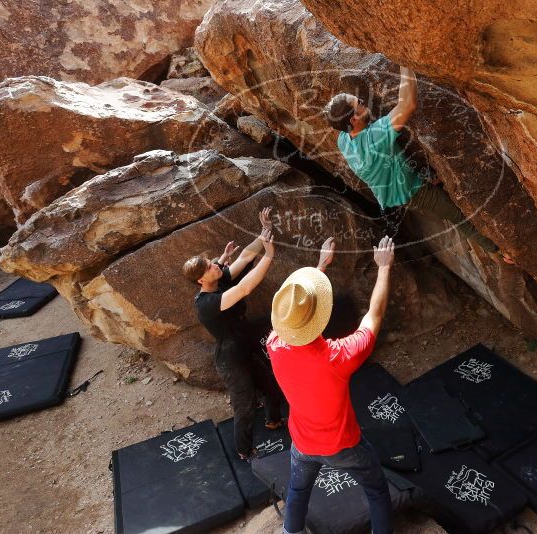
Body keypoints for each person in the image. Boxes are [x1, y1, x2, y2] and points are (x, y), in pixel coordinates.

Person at [266, 235, 396, 534]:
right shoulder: (338, 357)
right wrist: (384, 268)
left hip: (303, 443)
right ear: (320, 317)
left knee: (298, 491)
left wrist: (321, 266)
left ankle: (291, 532)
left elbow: (295, 313)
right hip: (343, 444)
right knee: (376, 490)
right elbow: (373, 316)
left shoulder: (274, 343)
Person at [323, 66, 501, 255]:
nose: (363, 102)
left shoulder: (343, 139)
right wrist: (404, 61)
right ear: (353, 119)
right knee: (458, 216)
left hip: (392, 192)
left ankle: (426, 177)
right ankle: (497, 251)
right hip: (413, 192)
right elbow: (408, 104)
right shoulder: (374, 138)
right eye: (358, 103)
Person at [182, 207, 285, 460]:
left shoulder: (218, 279)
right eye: (209, 266)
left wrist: (265, 231)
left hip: (245, 345)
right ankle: (244, 450)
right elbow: (245, 288)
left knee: (271, 385)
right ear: (200, 281)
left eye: (211, 262)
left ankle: (273, 421)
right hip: (230, 359)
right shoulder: (205, 304)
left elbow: (245, 257)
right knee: (245, 406)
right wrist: (269, 256)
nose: (216, 264)